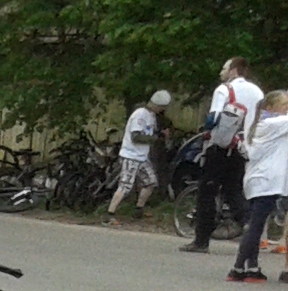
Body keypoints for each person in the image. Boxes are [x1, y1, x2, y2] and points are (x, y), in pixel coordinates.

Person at [184, 58, 263, 254]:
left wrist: (207, 130)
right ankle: (248, 223)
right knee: (233, 189)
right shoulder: (257, 92)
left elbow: (213, 118)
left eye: (224, 68)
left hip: (220, 147)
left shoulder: (224, 90)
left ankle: (201, 240)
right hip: (244, 147)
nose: (221, 72)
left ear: (233, 71)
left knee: (207, 191)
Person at [227, 89, 288, 284]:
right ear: (270, 107)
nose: (287, 109)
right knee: (256, 227)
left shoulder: (260, 123)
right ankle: (237, 268)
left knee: (255, 224)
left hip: (255, 181)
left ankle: (252, 267)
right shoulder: (274, 124)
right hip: (267, 182)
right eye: (284, 105)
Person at [107, 89, 172, 220]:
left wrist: (160, 135)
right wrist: (156, 138)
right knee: (125, 186)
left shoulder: (151, 116)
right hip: (131, 156)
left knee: (151, 182)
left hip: (141, 157)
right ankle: (110, 214)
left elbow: (149, 133)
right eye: (162, 107)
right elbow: (136, 137)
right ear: (156, 105)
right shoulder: (140, 114)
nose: (162, 110)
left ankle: (139, 209)